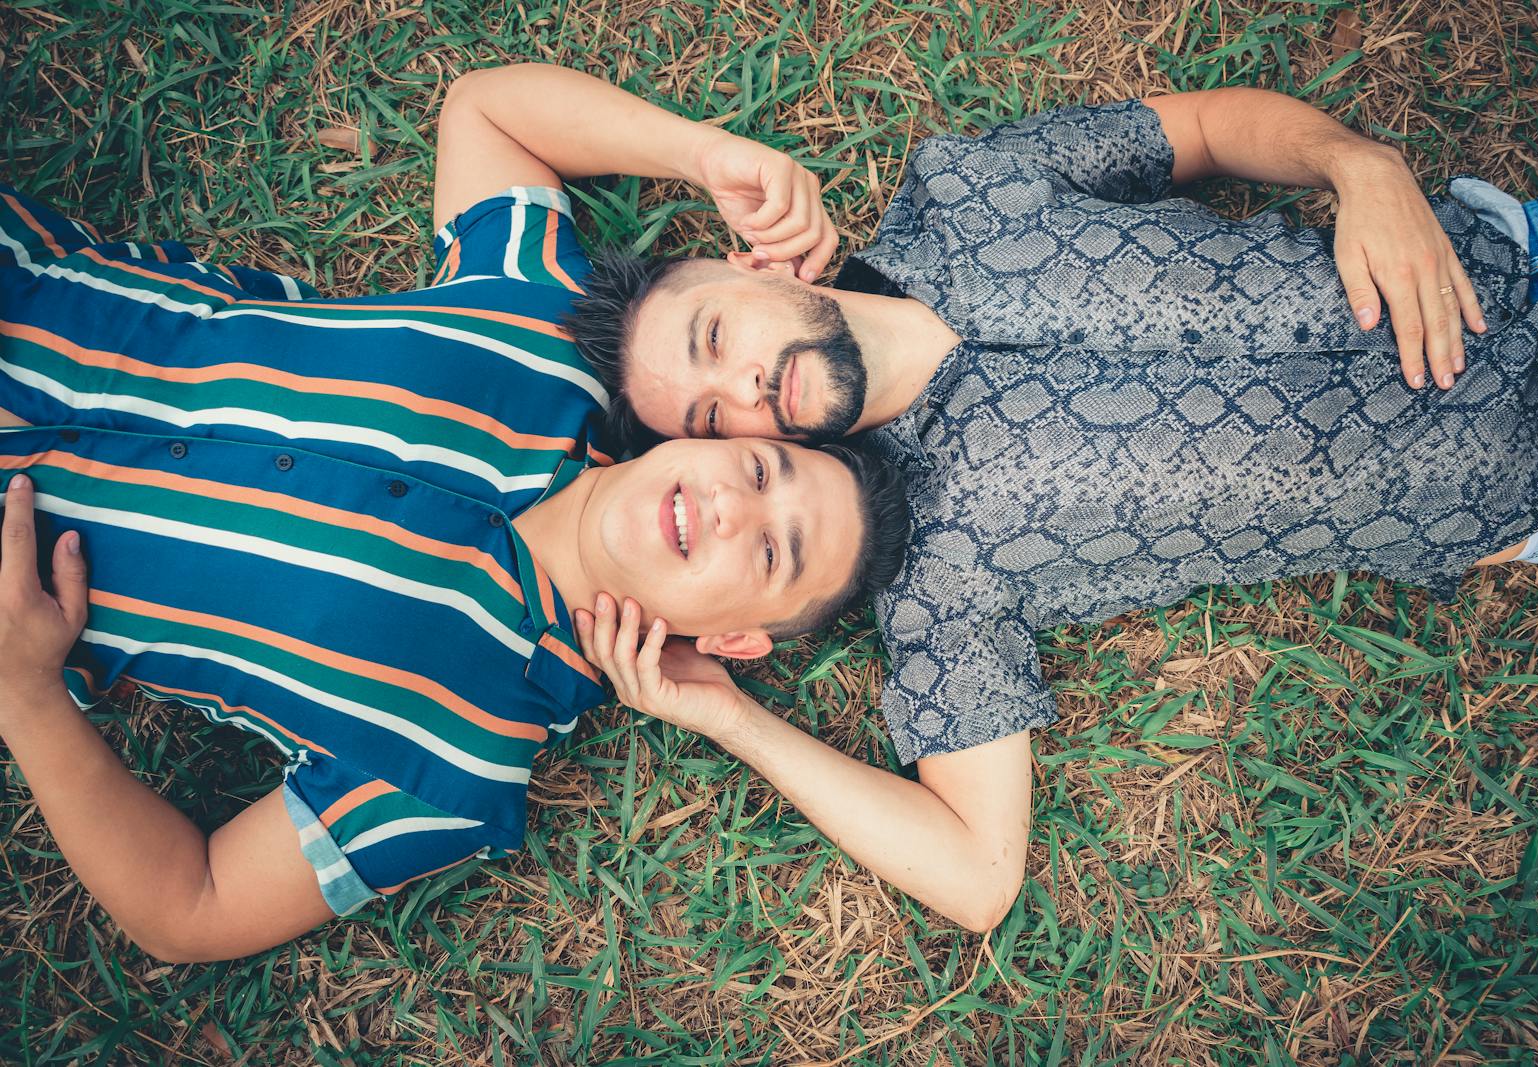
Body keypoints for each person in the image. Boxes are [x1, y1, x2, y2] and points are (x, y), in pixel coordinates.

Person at [550, 68, 1538, 929]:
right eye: (707, 421)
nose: (739, 392)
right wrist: (728, 715)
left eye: (713, 336)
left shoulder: (968, 184)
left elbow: (1200, 127)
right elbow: (976, 874)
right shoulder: (932, 579)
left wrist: (1355, 163)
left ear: (746, 265)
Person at [0, 64, 910, 961]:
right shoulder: (548, 333)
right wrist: (705, 152)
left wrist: (29, 697)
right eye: (757, 469)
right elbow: (489, 114)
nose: (727, 509)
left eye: (769, 555)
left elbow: (190, 907)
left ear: (733, 643)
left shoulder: (458, 760)